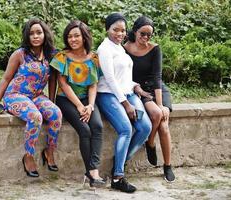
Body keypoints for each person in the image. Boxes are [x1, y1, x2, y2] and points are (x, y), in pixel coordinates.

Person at [0, 18, 62, 178]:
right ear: (27, 36)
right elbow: (6, 78)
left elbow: (53, 80)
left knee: (56, 113)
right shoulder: (20, 54)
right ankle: (29, 155)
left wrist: (51, 100)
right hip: (15, 95)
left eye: (39, 32)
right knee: (35, 116)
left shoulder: (51, 55)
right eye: (31, 33)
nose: (35, 36)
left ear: (45, 34)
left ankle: (49, 150)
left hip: (37, 96)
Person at [96, 13, 152, 193]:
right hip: (108, 94)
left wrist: (137, 88)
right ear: (107, 29)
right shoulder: (105, 49)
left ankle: (120, 161)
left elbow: (124, 77)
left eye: (123, 30)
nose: (120, 33)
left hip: (128, 93)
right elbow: (111, 79)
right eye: (115, 30)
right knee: (126, 129)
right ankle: (118, 177)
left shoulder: (120, 48)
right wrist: (126, 104)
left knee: (145, 127)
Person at [50, 20, 105, 187]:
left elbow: (93, 84)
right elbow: (63, 84)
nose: (73, 39)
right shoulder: (62, 57)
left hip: (86, 100)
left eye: (76, 36)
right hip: (66, 99)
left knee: (98, 126)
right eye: (69, 36)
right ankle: (92, 173)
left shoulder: (93, 57)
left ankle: (92, 171)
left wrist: (90, 105)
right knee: (84, 129)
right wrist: (80, 106)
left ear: (84, 37)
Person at [124, 16, 175, 182]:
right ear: (135, 31)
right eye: (143, 33)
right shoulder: (125, 48)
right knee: (156, 115)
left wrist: (161, 104)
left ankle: (167, 164)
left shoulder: (155, 49)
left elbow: (157, 77)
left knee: (164, 124)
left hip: (157, 89)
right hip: (140, 90)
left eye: (149, 35)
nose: (146, 38)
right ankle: (151, 143)